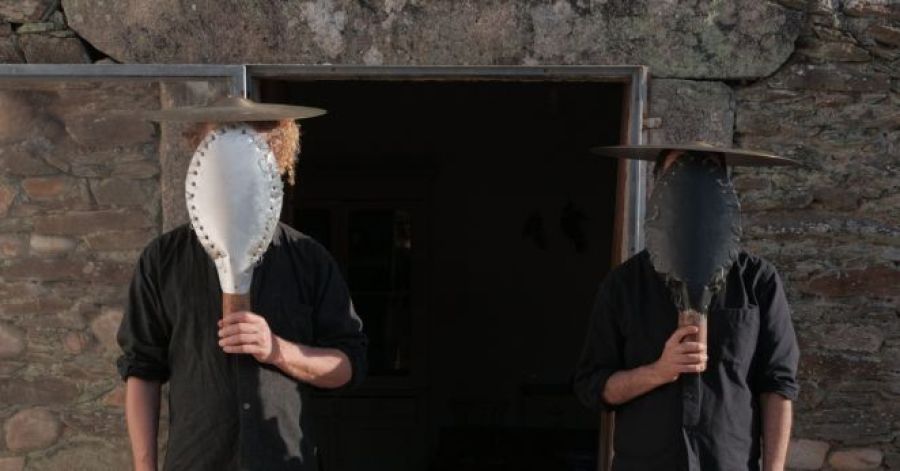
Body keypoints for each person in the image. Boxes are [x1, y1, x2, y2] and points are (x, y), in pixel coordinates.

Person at [117, 98, 367, 471]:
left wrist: (277, 350)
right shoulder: (163, 259)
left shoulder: (307, 257)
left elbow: (347, 367)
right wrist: (144, 468)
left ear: (275, 159)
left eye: (248, 148)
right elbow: (142, 370)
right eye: (220, 146)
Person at [574, 144, 801, 471]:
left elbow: (778, 386)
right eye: (679, 172)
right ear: (658, 189)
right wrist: (658, 372)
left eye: (706, 170)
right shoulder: (624, 285)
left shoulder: (757, 281)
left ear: (724, 188)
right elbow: (592, 386)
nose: (693, 184)